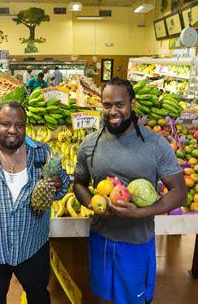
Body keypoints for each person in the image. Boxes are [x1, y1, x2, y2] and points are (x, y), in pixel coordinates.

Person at [73, 78, 187, 304]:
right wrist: (91, 204)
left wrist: (140, 212)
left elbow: (179, 192)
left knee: (134, 301)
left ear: (132, 104)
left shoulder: (155, 144)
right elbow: (79, 183)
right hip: (101, 237)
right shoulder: (89, 143)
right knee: (102, 298)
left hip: (136, 241)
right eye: (107, 105)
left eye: (119, 104)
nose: (113, 112)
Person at [0, 101, 70, 304]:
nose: (13, 130)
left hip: (32, 247)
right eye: (5, 124)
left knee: (38, 297)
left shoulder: (43, 153)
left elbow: (61, 190)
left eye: (19, 125)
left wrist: (59, 184)